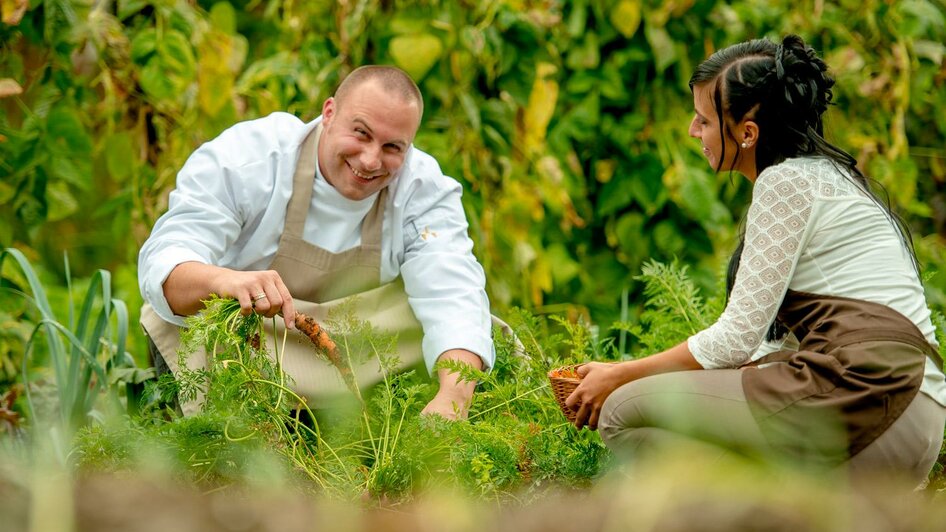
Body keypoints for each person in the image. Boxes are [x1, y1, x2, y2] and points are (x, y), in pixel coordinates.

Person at [566, 35, 946, 483]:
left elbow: (733, 342)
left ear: (747, 133)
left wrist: (621, 374)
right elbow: (771, 349)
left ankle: (756, 509)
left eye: (704, 120)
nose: (693, 131)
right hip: (914, 415)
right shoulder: (830, 179)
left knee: (622, 409)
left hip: (870, 398)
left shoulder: (785, 183)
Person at [138, 65, 494, 420]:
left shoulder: (423, 187)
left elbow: (451, 291)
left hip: (358, 351)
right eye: (361, 133)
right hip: (250, 347)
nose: (370, 160)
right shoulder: (250, 157)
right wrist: (227, 281)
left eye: (392, 147)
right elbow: (167, 261)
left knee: (477, 334)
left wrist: (453, 396)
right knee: (203, 321)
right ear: (329, 113)